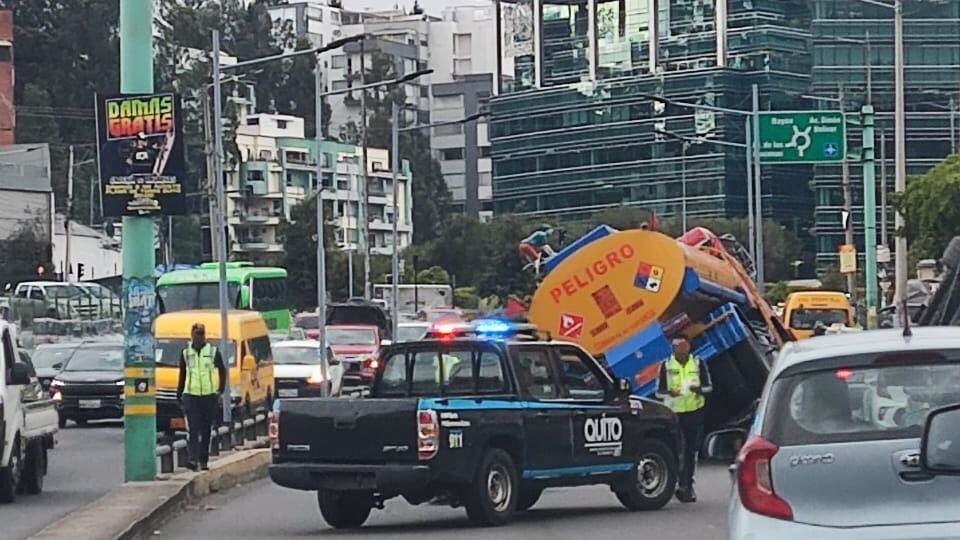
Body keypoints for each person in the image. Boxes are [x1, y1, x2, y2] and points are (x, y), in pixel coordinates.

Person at [656, 337, 712, 503]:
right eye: (675, 346)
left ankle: (686, 485)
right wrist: (669, 393)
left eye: (682, 345)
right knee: (676, 449)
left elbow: (709, 387)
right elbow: (658, 393)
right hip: (674, 413)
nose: (679, 349)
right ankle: (674, 484)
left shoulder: (698, 363)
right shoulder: (666, 365)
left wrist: (699, 389)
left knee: (690, 451)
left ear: (688, 346)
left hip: (694, 412)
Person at [177, 323, 228, 471]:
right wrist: (179, 394)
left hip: (208, 396)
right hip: (191, 396)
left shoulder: (212, 351)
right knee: (193, 429)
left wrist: (220, 390)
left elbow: (222, 370)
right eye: (197, 334)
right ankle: (192, 459)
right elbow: (183, 374)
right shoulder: (186, 353)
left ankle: (203, 460)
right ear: (191, 335)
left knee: (206, 430)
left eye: (201, 334)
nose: (199, 337)